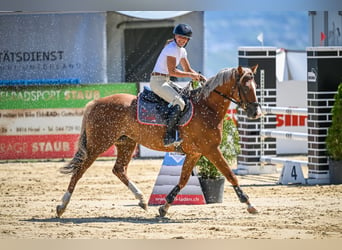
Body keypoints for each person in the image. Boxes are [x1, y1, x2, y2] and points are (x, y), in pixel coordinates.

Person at [150, 23, 207, 147]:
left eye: (185, 38)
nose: (183, 40)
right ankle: (169, 136)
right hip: (157, 81)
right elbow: (173, 71)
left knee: (187, 97)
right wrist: (191, 76)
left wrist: (202, 77)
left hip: (166, 80)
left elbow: (188, 68)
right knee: (179, 103)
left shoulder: (182, 50)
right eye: (181, 37)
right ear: (175, 36)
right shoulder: (171, 49)